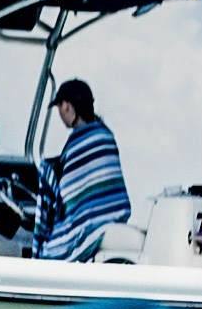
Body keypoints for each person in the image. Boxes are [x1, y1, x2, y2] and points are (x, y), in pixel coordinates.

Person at [32, 78, 130, 260]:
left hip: (90, 224)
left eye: (59, 107)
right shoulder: (105, 134)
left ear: (67, 106)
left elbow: (68, 191)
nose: (60, 113)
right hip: (114, 215)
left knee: (49, 249)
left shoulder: (77, 143)